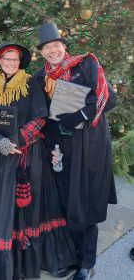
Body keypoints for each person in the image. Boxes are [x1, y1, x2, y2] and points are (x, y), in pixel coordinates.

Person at [0, 43, 77, 280]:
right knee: (2, 206)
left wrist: (20, 139)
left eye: (15, 59)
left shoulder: (31, 83)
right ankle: (5, 265)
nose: (11, 63)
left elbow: (41, 117)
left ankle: (37, 259)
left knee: (33, 206)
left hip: (28, 153)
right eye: (6, 59)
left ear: (20, 62)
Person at [34, 23, 118, 280]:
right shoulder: (41, 77)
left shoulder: (87, 65)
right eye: (47, 48)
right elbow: (44, 116)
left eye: (56, 45)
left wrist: (79, 115)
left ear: (64, 47)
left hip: (89, 145)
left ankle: (87, 261)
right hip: (61, 148)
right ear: (41, 52)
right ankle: (72, 255)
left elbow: (108, 98)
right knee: (66, 202)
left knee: (86, 203)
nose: (52, 51)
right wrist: (51, 148)